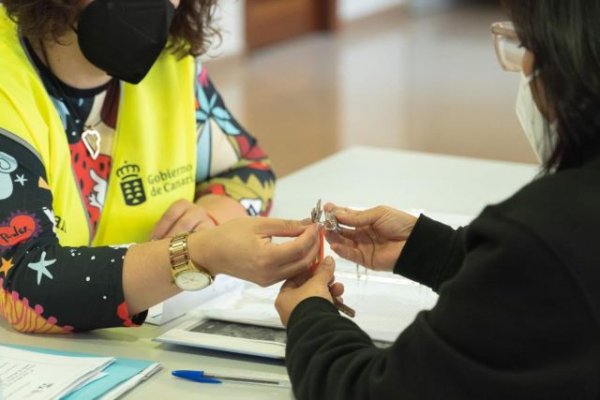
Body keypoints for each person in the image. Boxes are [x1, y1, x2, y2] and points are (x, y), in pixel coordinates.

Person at [275, 0, 600, 398]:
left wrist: (308, 315)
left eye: (526, 44)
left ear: (569, 57)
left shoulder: (547, 231)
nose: (525, 67)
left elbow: (377, 391)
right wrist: (431, 250)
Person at [0, 0, 319, 333]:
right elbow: (25, 288)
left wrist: (211, 218)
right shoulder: (7, 81)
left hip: (132, 349)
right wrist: (199, 254)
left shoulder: (168, 60)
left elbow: (248, 169)